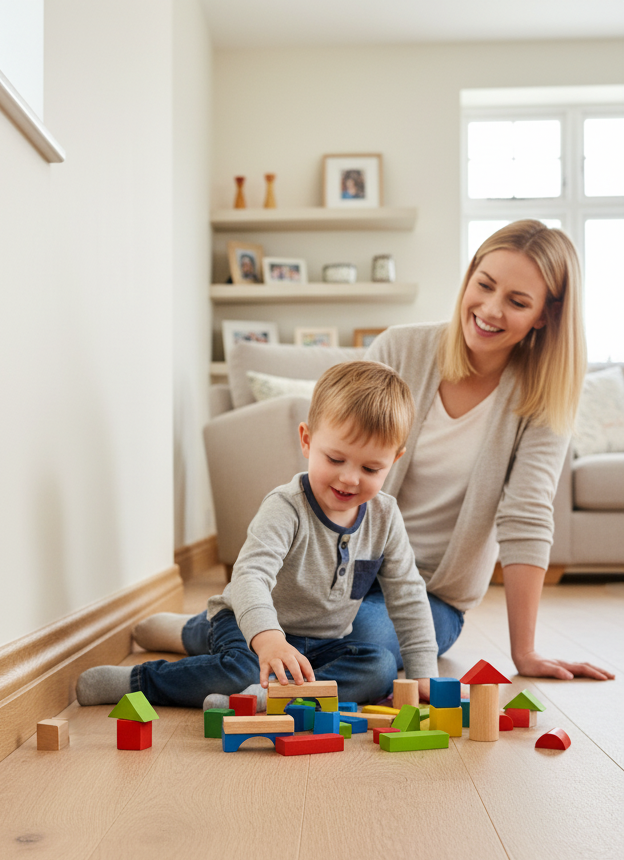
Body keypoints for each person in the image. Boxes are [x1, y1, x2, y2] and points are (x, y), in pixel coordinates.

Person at [133, 220, 613, 697]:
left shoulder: (544, 398)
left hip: (430, 593)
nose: (489, 309)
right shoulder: (401, 348)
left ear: (545, 315)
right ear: (469, 278)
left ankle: (246, 665)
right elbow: (338, 447)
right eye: (484, 285)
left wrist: (523, 653)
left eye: (517, 301)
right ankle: (205, 630)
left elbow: (526, 517)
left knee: (366, 639)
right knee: (309, 617)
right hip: (335, 573)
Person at [75, 361, 439, 709]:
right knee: (242, 669)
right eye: (335, 459)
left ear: (395, 460)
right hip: (247, 622)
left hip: (323, 643)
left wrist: (424, 674)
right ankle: (143, 680)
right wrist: (268, 639)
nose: (349, 478)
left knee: (380, 667)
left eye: (371, 468)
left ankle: (271, 698)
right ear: (307, 441)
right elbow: (250, 575)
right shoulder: (287, 506)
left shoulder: (385, 516)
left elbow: (407, 594)